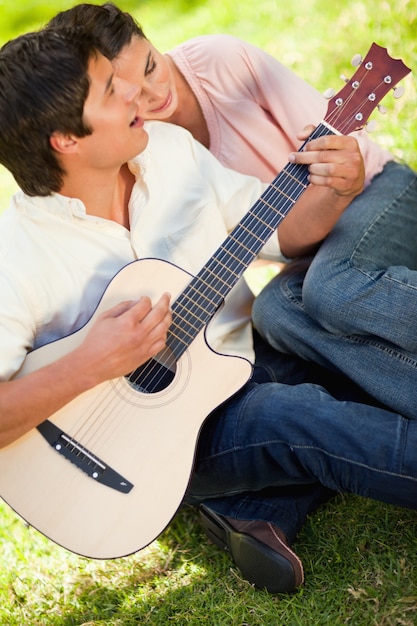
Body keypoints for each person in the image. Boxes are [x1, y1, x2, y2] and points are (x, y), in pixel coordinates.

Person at [42, 3, 417, 592]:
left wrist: (336, 178)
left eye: (151, 66)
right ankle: (258, 509)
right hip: (304, 256)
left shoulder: (223, 65)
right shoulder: (136, 155)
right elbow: (274, 242)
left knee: (326, 295)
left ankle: (262, 504)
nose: (149, 95)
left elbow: (336, 145)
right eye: (126, 92)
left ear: (154, 43)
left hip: (372, 198)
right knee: (280, 314)